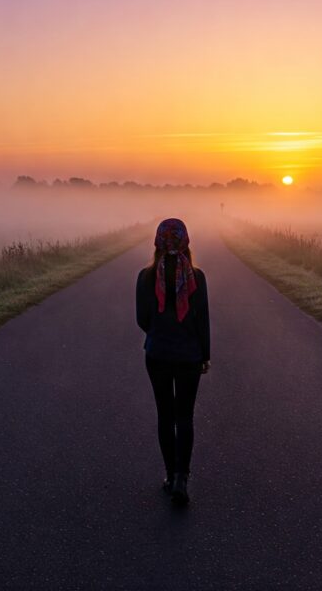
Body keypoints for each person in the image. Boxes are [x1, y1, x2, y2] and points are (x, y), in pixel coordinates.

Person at [136, 217, 210, 506]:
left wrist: (159, 332)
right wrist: (205, 355)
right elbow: (203, 322)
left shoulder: (145, 277)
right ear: (185, 242)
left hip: (158, 355)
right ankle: (182, 478)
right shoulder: (198, 277)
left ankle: (169, 476)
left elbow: (141, 319)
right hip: (189, 356)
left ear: (157, 242)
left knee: (165, 417)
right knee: (185, 417)